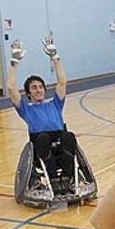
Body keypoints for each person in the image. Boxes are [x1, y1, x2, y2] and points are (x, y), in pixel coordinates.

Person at [7, 36, 76, 190]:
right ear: (28, 93)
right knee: (44, 138)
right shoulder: (26, 109)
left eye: (40, 87)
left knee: (69, 136)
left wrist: (55, 57)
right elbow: (11, 88)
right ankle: (53, 180)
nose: (38, 90)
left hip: (60, 140)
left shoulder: (55, 104)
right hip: (40, 143)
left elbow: (62, 81)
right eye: (34, 88)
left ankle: (67, 178)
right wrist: (14, 62)